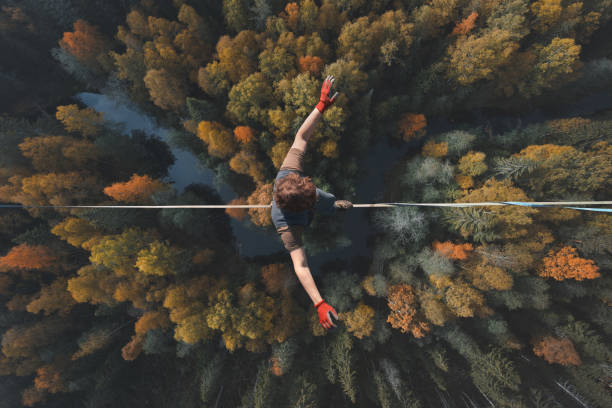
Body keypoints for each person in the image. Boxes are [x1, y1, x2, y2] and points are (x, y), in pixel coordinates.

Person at [271, 75, 353, 331]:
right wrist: (319, 303)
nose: (312, 191)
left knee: (328, 200)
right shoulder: (286, 227)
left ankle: (334, 205)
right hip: (301, 220)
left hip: (303, 203)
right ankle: (332, 206)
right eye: (310, 197)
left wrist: (320, 107)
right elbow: (301, 266)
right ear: (303, 207)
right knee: (325, 205)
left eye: (309, 188)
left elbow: (302, 137)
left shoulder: (288, 174)